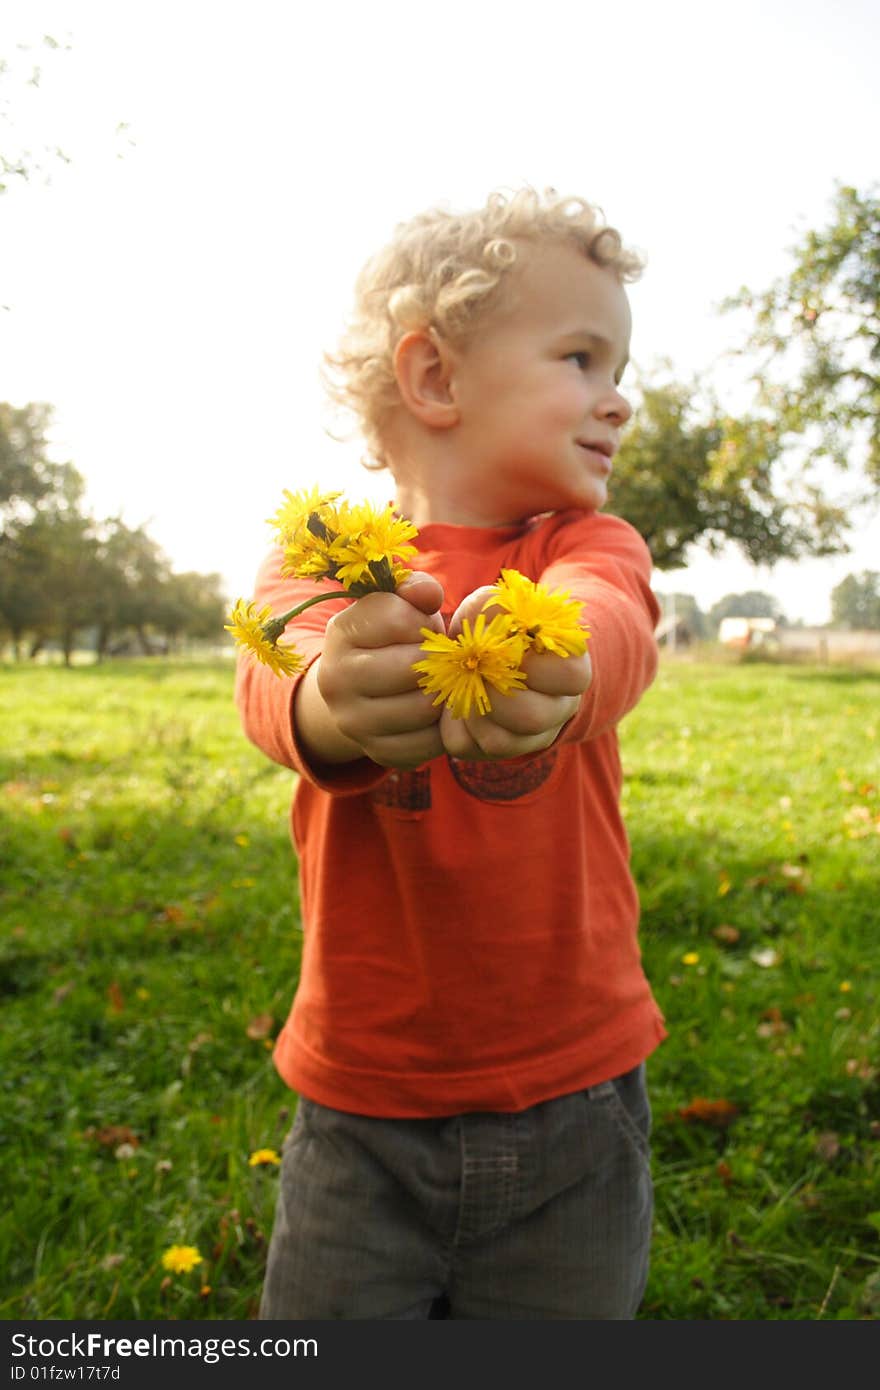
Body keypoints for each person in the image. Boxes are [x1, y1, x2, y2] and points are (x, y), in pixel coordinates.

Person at [235, 187, 665, 1320]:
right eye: (581, 357)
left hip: (578, 1099)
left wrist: (553, 671)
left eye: (617, 367)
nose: (617, 401)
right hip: (359, 1112)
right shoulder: (328, 559)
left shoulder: (589, 545)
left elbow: (608, 620)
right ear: (433, 378)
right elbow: (275, 663)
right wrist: (336, 696)